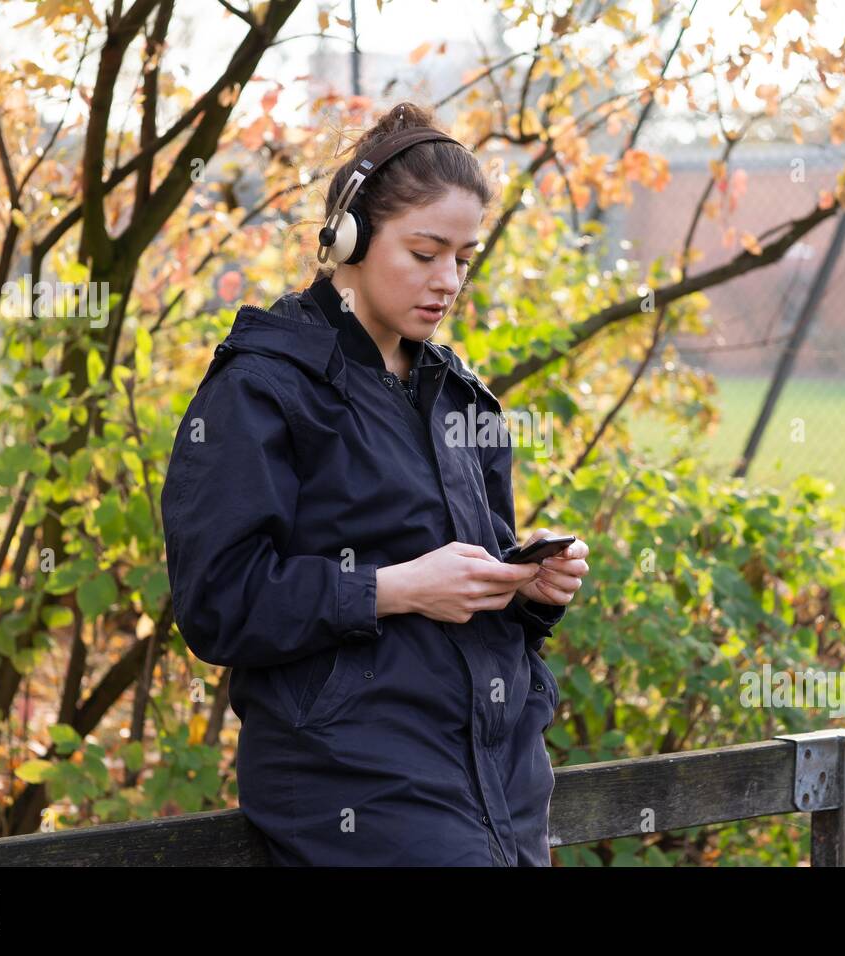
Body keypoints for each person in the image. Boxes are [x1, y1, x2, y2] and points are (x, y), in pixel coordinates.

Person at [161, 101, 590, 866]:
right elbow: (217, 603)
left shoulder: (460, 395)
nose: (448, 280)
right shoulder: (264, 388)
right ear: (348, 238)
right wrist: (392, 589)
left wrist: (525, 589)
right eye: (425, 253)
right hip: (355, 782)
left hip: (499, 781)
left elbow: (463, 593)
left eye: (463, 257)